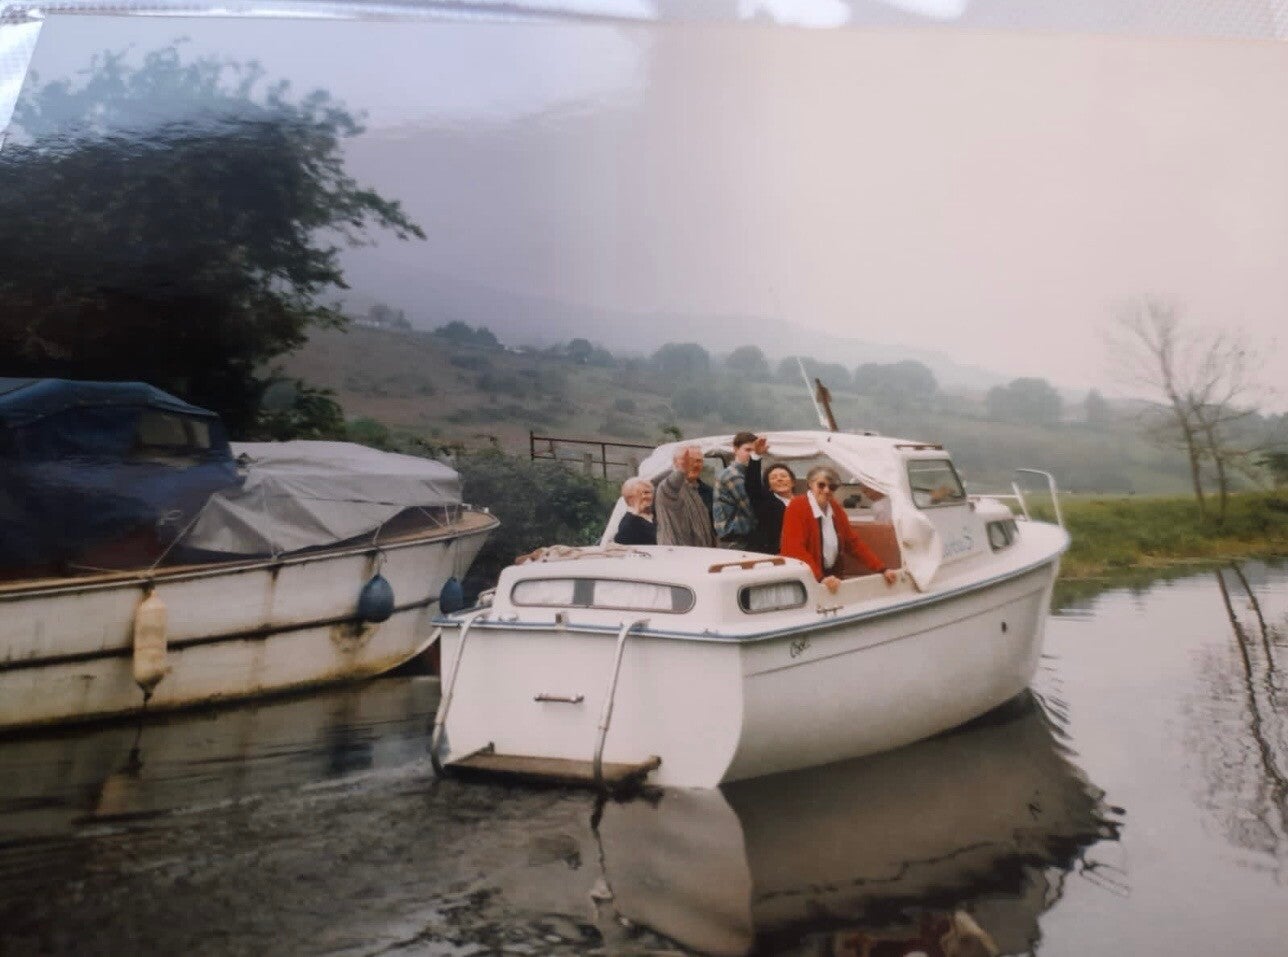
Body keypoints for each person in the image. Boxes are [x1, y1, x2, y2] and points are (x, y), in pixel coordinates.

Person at [780, 465, 900, 593]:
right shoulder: (797, 506)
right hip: (807, 581)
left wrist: (882, 569)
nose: (826, 490)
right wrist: (820, 578)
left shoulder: (835, 508)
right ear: (810, 484)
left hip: (831, 579)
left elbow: (853, 543)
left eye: (832, 487)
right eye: (821, 485)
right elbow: (794, 549)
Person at [653, 444, 716, 547]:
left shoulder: (704, 491)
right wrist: (681, 471)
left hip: (702, 552)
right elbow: (670, 487)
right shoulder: (665, 489)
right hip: (677, 552)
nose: (695, 464)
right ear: (675, 462)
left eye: (699, 461)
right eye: (689, 460)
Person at [713, 431, 763, 550]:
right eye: (748, 450)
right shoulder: (732, 475)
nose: (751, 454)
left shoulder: (748, 475)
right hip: (735, 541)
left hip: (742, 539)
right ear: (735, 449)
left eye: (754, 451)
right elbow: (752, 507)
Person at [748, 460, 795, 554]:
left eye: (783, 476)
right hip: (773, 554)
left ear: (793, 482)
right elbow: (752, 485)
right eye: (773, 478)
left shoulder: (803, 502)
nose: (779, 479)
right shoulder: (766, 503)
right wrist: (755, 458)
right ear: (769, 486)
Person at [614, 477, 656, 545]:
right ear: (630, 498)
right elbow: (621, 543)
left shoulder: (655, 516)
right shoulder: (629, 523)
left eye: (650, 492)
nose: (649, 496)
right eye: (645, 493)